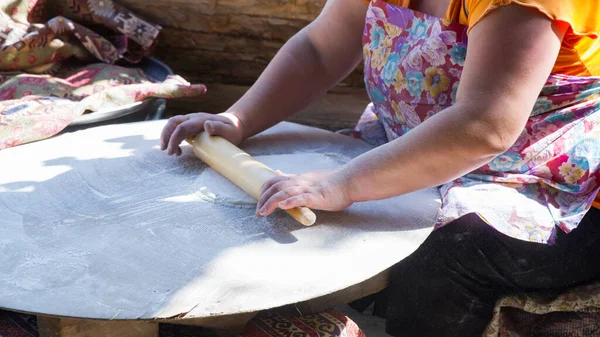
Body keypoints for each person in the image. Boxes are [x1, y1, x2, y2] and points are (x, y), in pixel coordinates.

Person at [160, 0, 600, 336]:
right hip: (413, 147)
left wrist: (345, 183)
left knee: (439, 255)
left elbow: (486, 125)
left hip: (548, 188)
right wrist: (239, 119)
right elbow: (318, 49)